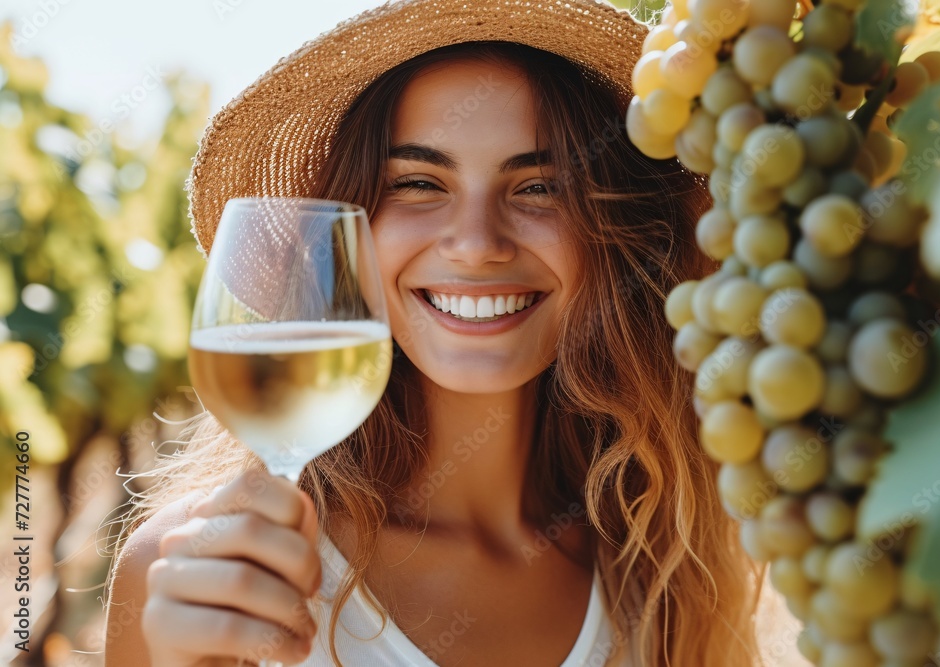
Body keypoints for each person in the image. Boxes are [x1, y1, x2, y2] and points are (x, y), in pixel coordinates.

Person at [103, 0, 762, 665]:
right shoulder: (191, 580)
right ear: (351, 226)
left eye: (540, 186)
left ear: (615, 233)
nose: (477, 244)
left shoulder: (666, 566)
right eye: (419, 182)